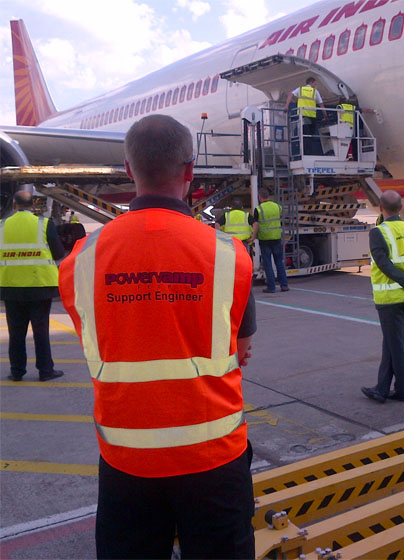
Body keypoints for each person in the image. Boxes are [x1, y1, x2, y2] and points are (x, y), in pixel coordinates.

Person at [59, 115, 257, 559]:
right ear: (190, 170)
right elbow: (241, 351)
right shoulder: (230, 256)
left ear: (129, 170)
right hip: (214, 460)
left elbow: (102, 339)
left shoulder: (80, 261)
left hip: (126, 463)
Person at [361, 190, 404, 404]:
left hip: (390, 298)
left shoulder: (378, 232)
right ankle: (381, 388)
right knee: (391, 343)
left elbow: (384, 264)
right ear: (401, 208)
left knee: (395, 344)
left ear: (381, 208)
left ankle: (402, 390)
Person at [0, 190, 65, 382]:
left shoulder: (3, 226)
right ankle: (45, 371)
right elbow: (58, 253)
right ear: (33, 206)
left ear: (14, 206)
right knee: (41, 331)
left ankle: (17, 371)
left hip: (11, 286)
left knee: (16, 333)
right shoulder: (43, 224)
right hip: (39, 286)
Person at [252, 188, 289, 293]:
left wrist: (254, 236)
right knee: (279, 262)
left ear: (260, 197)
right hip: (276, 237)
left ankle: (271, 287)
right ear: (268, 196)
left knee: (267, 263)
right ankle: (284, 285)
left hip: (264, 239)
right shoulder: (277, 207)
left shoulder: (258, 209)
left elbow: (256, 224)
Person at [284, 77, 326, 155]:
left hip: (302, 115)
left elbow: (290, 94)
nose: (315, 85)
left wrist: (286, 105)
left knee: (304, 134)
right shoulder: (315, 91)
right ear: (311, 82)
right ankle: (309, 152)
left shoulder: (300, 89)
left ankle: (304, 152)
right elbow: (321, 104)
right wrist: (325, 115)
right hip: (311, 116)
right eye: (315, 83)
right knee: (310, 135)